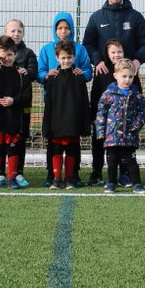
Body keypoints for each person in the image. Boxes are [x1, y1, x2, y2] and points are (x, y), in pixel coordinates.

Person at [37, 11, 92, 187]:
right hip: (55, 102)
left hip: (73, 102)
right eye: (60, 27)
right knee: (55, 143)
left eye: (67, 27)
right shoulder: (46, 49)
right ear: (55, 29)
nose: (64, 31)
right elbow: (39, 72)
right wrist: (46, 75)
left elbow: (88, 72)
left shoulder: (80, 49)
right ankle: (52, 175)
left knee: (72, 143)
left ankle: (72, 175)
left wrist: (83, 73)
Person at [0, 36, 32, 189]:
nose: (7, 58)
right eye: (3, 55)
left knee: (13, 149)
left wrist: (13, 100)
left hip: (14, 118)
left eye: (10, 54)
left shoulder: (21, 73)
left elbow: (27, 95)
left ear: (15, 54)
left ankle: (11, 178)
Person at [95, 59, 145, 194]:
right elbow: (101, 112)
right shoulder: (108, 94)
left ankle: (137, 184)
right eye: (124, 76)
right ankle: (111, 183)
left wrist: (136, 125)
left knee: (131, 161)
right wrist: (101, 132)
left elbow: (143, 111)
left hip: (129, 135)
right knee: (112, 161)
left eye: (130, 77)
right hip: (112, 135)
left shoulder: (136, 94)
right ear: (115, 75)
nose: (127, 80)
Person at [83, 0, 145, 80]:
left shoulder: (136, 17)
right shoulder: (96, 18)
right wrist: (97, 61)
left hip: (129, 74)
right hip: (104, 73)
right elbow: (88, 44)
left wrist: (137, 60)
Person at [87, 39, 131, 186]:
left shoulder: (129, 69)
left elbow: (137, 92)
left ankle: (124, 174)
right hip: (104, 117)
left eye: (119, 52)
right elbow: (95, 94)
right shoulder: (101, 69)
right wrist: (94, 116)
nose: (116, 55)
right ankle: (96, 172)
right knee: (98, 142)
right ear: (107, 53)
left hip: (123, 118)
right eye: (113, 52)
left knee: (124, 146)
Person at [3, 19, 38, 188]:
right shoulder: (0, 52)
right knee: (1, 139)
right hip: (2, 104)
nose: (16, 34)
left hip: (22, 104)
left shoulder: (29, 53)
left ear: (23, 33)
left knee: (20, 138)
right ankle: (1, 174)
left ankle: (19, 173)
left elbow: (33, 73)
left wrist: (26, 72)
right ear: (6, 33)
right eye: (12, 31)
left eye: (19, 31)